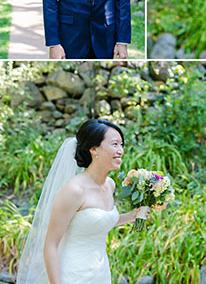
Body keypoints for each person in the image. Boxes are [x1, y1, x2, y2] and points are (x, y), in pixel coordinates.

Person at [16, 119, 148, 284]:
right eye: (114, 144)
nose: (120, 150)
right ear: (94, 149)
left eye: (121, 144)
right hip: (72, 275)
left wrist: (132, 216)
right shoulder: (74, 190)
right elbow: (50, 245)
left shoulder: (110, 185)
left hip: (100, 273)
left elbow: (97, 223)